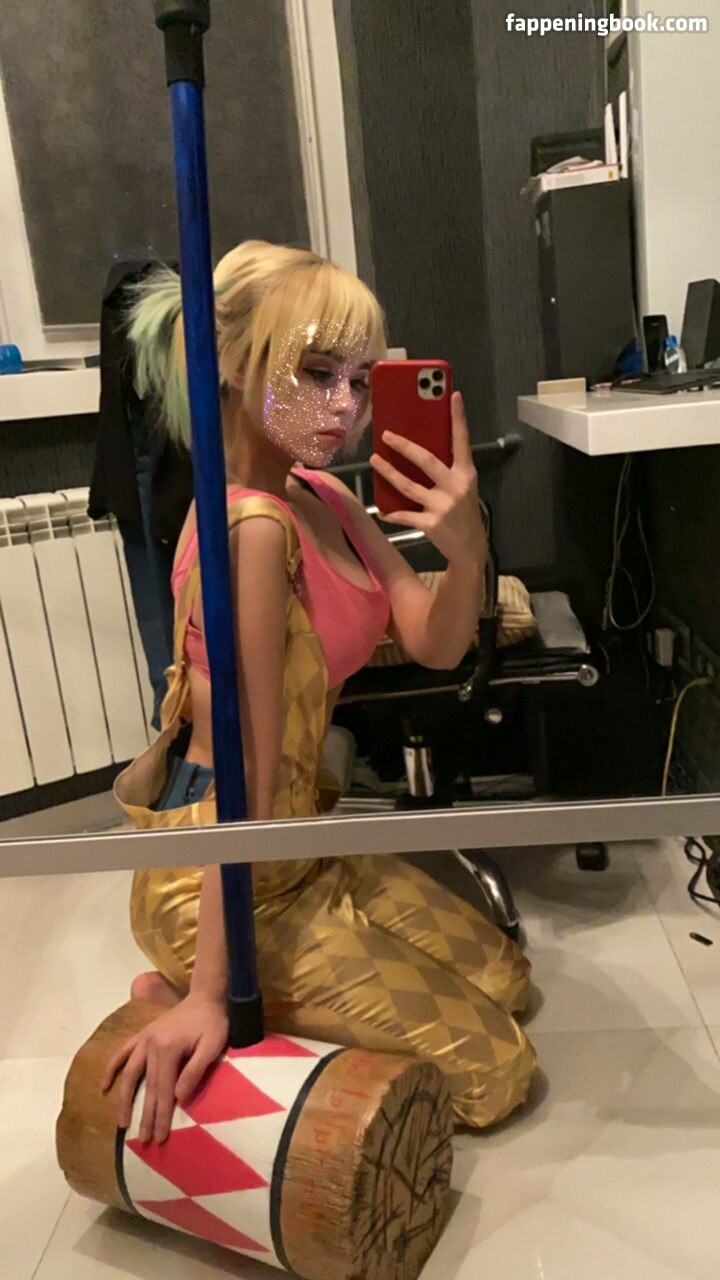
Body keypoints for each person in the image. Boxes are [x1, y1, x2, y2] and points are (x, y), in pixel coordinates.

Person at [104, 240, 536, 1143]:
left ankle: (222, 989)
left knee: (510, 980)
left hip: (302, 842)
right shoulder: (252, 530)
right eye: (315, 372)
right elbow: (251, 772)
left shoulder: (318, 493)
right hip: (223, 867)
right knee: (497, 1074)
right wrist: (217, 995)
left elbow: (434, 642)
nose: (346, 406)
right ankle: (183, 984)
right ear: (233, 364)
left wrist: (467, 552)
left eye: (359, 378)